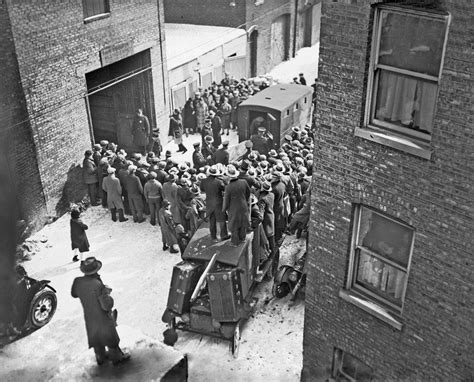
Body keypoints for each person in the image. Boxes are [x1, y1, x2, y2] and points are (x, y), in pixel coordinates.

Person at [71, 257, 130, 366]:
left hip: (89, 317)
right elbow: (106, 306)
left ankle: (100, 357)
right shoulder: (98, 285)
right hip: (103, 318)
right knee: (111, 339)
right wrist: (107, 293)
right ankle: (117, 358)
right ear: (96, 270)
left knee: (96, 338)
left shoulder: (78, 282)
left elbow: (74, 294)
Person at [223, 165, 251, 246]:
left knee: (234, 224)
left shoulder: (228, 187)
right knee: (243, 222)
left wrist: (224, 209)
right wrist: (244, 200)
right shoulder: (244, 182)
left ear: (229, 176)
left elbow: (226, 200)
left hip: (233, 208)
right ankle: (242, 239)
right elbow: (248, 193)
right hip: (243, 205)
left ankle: (235, 242)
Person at [200, 165, 229, 242]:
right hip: (219, 203)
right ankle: (224, 235)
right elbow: (225, 189)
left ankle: (213, 237)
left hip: (209, 203)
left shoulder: (203, 181)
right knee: (222, 220)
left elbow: (202, 189)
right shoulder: (219, 182)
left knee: (212, 220)